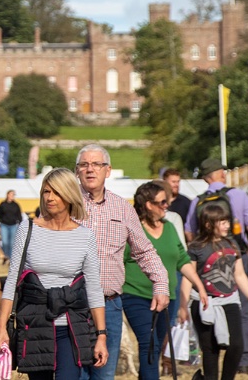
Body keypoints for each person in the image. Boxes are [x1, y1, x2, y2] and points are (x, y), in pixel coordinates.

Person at [0, 169, 109, 380]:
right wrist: (1, 327)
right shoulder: (27, 229)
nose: (50, 197)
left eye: (56, 192)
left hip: (71, 328)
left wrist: (101, 336)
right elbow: (12, 281)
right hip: (35, 325)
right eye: (46, 191)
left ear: (69, 194)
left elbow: (93, 288)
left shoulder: (85, 236)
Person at [76, 144, 169, 378]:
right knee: (72, 374)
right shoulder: (64, 204)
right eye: (84, 164)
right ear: (76, 171)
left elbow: (144, 251)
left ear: (108, 171)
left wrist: (160, 284)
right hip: (70, 305)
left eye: (97, 164)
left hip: (109, 305)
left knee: (104, 374)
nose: (90, 169)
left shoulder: (122, 208)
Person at [124, 181, 207, 380]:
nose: (166, 206)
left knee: (158, 344)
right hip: (136, 295)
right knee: (148, 343)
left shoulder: (169, 227)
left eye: (166, 201)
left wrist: (200, 286)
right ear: (148, 204)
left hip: (166, 298)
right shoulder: (132, 228)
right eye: (161, 202)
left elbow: (182, 259)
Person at [185, 158, 248, 374]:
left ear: (206, 178)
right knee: (241, 311)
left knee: (209, 343)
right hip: (236, 254)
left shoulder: (197, 201)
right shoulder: (238, 195)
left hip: (203, 259)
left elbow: (190, 233)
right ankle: (243, 361)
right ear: (222, 174)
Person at [0, 189, 24, 265]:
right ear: (8, 195)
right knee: (5, 242)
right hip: (4, 225)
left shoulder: (16, 205)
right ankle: (6, 256)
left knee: (12, 243)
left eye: (14, 195)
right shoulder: (2, 204)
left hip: (13, 225)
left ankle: (11, 258)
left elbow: (19, 215)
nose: (13, 196)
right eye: (12, 194)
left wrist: (20, 224)